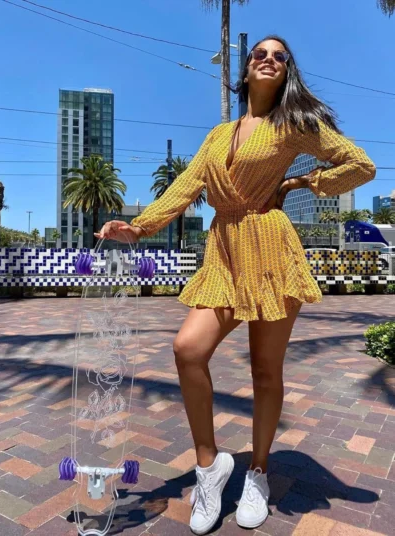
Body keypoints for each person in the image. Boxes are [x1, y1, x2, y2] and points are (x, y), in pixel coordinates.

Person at [95, 35, 376, 535]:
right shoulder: (219, 134)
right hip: (224, 250)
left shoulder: (294, 124)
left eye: (279, 56)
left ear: (287, 71)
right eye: (259, 54)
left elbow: (361, 165)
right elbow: (186, 185)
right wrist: (138, 228)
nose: (268, 59)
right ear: (245, 70)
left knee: (265, 370)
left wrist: (302, 183)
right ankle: (210, 468)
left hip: (270, 247)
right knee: (187, 349)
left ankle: (258, 474)